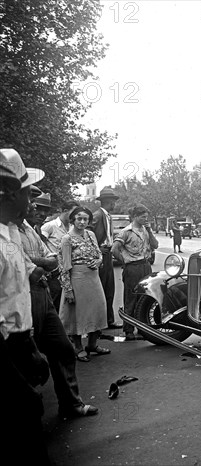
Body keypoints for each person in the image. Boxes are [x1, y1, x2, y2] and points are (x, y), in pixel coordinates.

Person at [19, 190, 98, 418]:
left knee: (63, 349)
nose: (37, 209)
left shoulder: (30, 229)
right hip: (23, 296)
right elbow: (31, 267)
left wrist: (41, 263)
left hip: (42, 294)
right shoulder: (8, 231)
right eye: (33, 203)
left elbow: (52, 260)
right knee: (27, 361)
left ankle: (71, 404)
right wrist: (42, 263)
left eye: (40, 206)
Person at [0, 148, 50, 464]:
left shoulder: (12, 235)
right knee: (26, 408)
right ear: (8, 195)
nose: (30, 202)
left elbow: (23, 273)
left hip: (20, 338)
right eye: (25, 193)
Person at [58, 206, 110, 362]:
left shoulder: (91, 234)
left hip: (93, 278)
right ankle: (78, 347)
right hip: (77, 279)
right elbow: (64, 265)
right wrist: (68, 289)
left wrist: (99, 260)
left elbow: (98, 253)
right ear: (73, 219)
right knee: (77, 314)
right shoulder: (67, 239)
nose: (82, 222)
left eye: (85, 219)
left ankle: (92, 345)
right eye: (79, 218)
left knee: (98, 310)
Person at [111, 204, 158, 341]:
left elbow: (155, 245)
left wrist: (149, 230)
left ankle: (142, 327)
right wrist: (124, 262)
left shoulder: (145, 230)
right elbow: (114, 249)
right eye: (143, 217)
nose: (145, 219)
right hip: (132, 267)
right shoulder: (126, 232)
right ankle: (128, 329)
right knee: (131, 298)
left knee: (144, 298)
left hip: (145, 265)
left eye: (146, 217)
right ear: (135, 217)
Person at [90, 186, 121, 329]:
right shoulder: (97, 215)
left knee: (109, 289)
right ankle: (100, 322)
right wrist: (97, 249)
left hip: (107, 254)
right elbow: (88, 235)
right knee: (101, 289)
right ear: (109, 202)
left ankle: (108, 320)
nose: (114, 204)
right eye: (113, 201)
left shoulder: (107, 216)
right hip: (101, 254)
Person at [42, 199, 80, 310]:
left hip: (69, 270)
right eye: (72, 213)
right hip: (55, 272)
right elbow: (41, 245)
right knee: (54, 300)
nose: (74, 216)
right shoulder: (50, 226)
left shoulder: (73, 228)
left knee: (67, 302)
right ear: (64, 210)